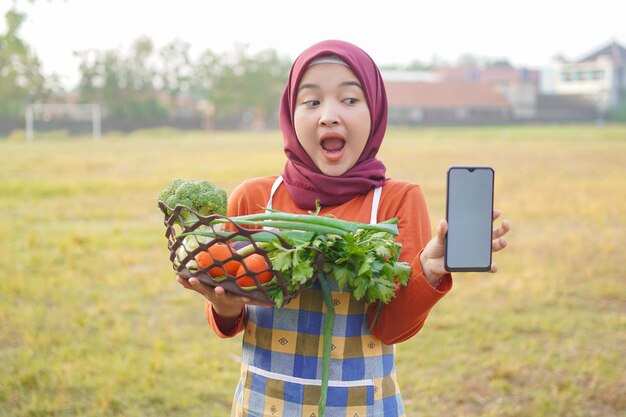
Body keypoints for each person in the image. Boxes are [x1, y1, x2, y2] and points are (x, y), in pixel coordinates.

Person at [177, 39, 510, 417]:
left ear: (375, 111)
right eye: (312, 101)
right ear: (289, 113)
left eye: (350, 100)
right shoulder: (252, 199)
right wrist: (222, 305)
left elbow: (392, 329)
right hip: (261, 406)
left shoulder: (397, 200)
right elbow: (228, 324)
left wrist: (430, 270)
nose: (328, 116)